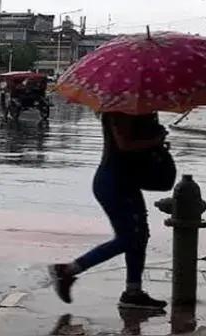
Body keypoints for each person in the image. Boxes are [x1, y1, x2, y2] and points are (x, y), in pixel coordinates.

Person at [49, 112, 167, 309]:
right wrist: (155, 140)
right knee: (129, 238)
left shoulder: (134, 109)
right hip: (115, 183)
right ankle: (67, 270)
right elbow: (124, 144)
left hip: (126, 181)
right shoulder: (120, 111)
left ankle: (133, 292)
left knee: (139, 236)